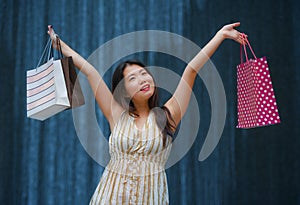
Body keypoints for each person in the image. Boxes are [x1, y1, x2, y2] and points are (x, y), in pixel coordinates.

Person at [48, 22, 244, 204]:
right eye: (133, 78)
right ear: (123, 90)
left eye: (144, 74)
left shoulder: (168, 115)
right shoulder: (116, 114)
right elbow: (90, 71)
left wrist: (220, 35)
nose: (143, 80)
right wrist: (61, 46)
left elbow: (191, 70)